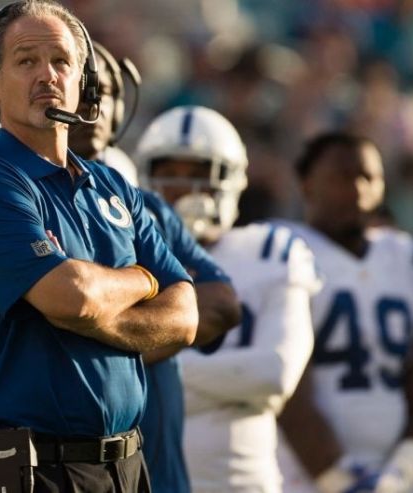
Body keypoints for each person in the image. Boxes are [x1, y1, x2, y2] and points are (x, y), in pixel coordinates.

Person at [0, 2, 199, 491]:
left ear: (83, 80)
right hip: (34, 468)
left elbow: (185, 317)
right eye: (26, 61)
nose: (47, 75)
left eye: (61, 61)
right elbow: (72, 298)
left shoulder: (114, 185)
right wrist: (144, 280)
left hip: (127, 459)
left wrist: (94, 306)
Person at [69, 45, 241, 493]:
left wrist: (101, 356)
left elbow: (221, 304)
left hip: (155, 471)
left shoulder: (146, 208)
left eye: (101, 90)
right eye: (78, 87)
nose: (91, 104)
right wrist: (155, 302)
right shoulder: (11, 205)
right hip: (56, 467)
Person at [136, 105, 322, 493]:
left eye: (200, 174)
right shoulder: (130, 258)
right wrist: (232, 387)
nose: (185, 190)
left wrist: (155, 370)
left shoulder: (272, 250)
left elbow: (273, 372)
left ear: (231, 180)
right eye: (171, 175)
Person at [277, 132, 413, 493]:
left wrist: (400, 473)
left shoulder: (409, 258)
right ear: (307, 185)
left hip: (401, 475)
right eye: (343, 177)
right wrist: (337, 480)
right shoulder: (279, 252)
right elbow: (284, 386)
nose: (359, 190)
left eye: (369, 178)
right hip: (302, 475)